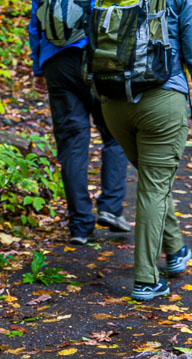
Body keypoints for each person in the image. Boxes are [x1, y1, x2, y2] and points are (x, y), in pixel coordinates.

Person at [89, 0, 192, 300]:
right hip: (161, 100)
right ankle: (147, 279)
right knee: (155, 187)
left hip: (113, 103)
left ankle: (174, 250)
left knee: (154, 182)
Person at [29, 0, 130, 245]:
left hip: (57, 62)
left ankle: (80, 226)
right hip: (98, 60)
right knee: (114, 134)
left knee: (72, 143)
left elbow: (35, 26)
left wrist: (39, 68)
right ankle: (111, 208)